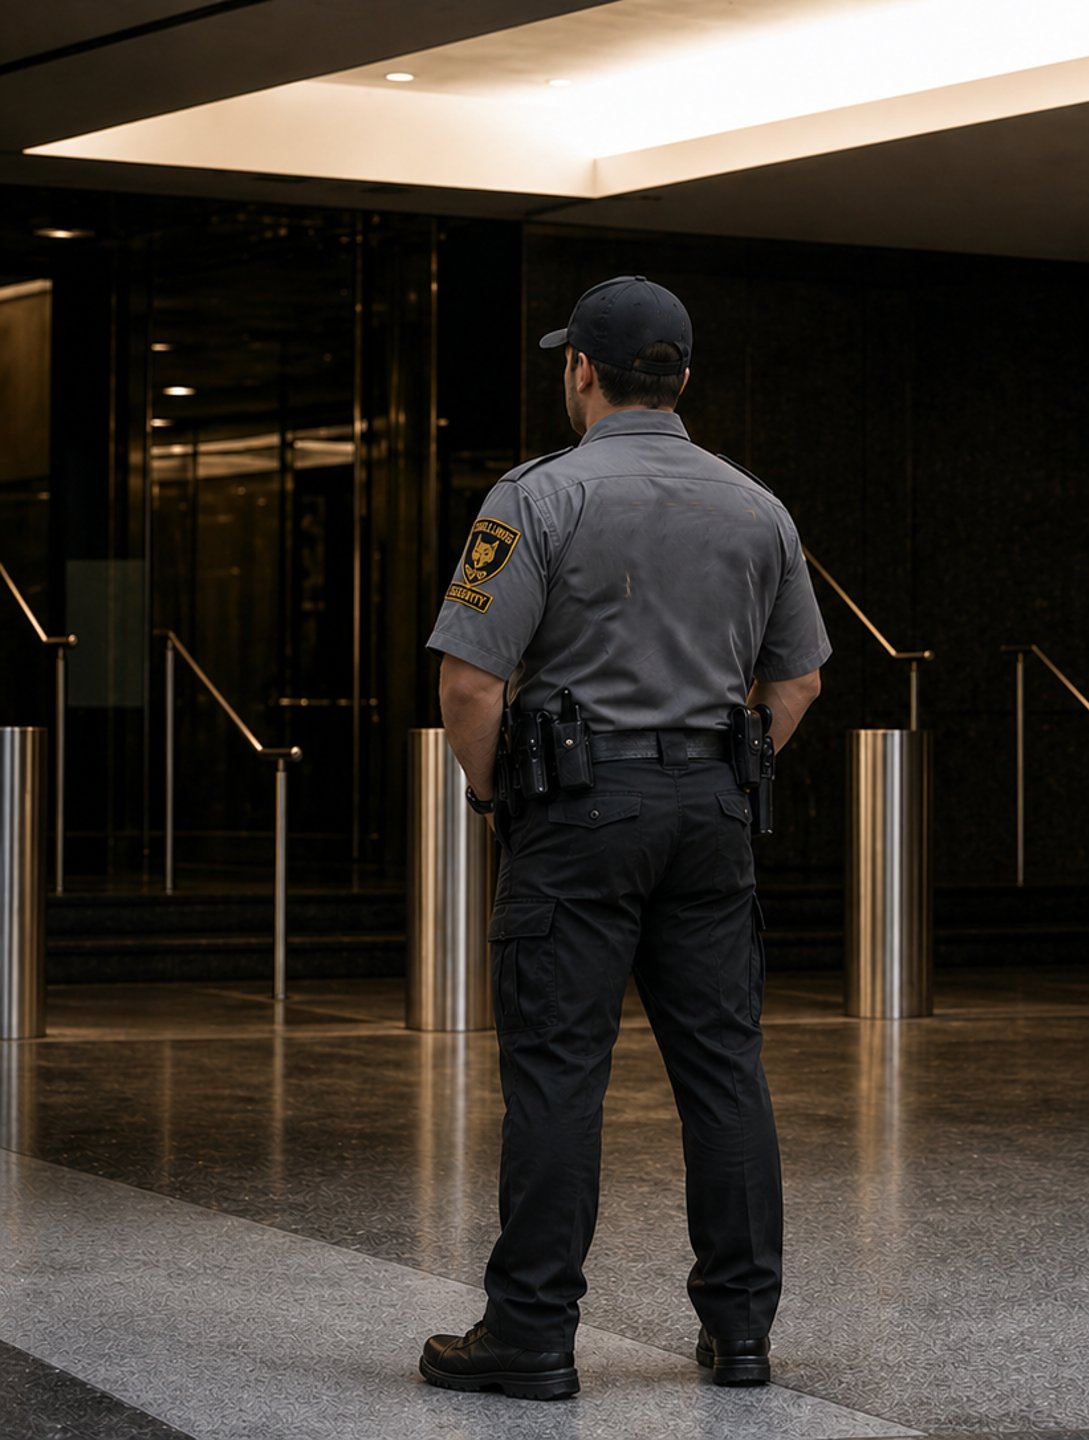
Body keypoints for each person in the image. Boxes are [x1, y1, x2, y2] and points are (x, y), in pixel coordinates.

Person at [416, 276, 830, 1400]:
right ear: (682, 376)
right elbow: (797, 677)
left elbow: (467, 685)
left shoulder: (535, 497)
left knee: (558, 1077)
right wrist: (726, 769)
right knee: (724, 1073)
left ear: (580, 372)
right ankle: (741, 1334)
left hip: (577, 816)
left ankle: (533, 1335)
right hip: (711, 818)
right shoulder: (757, 507)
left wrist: (507, 797)